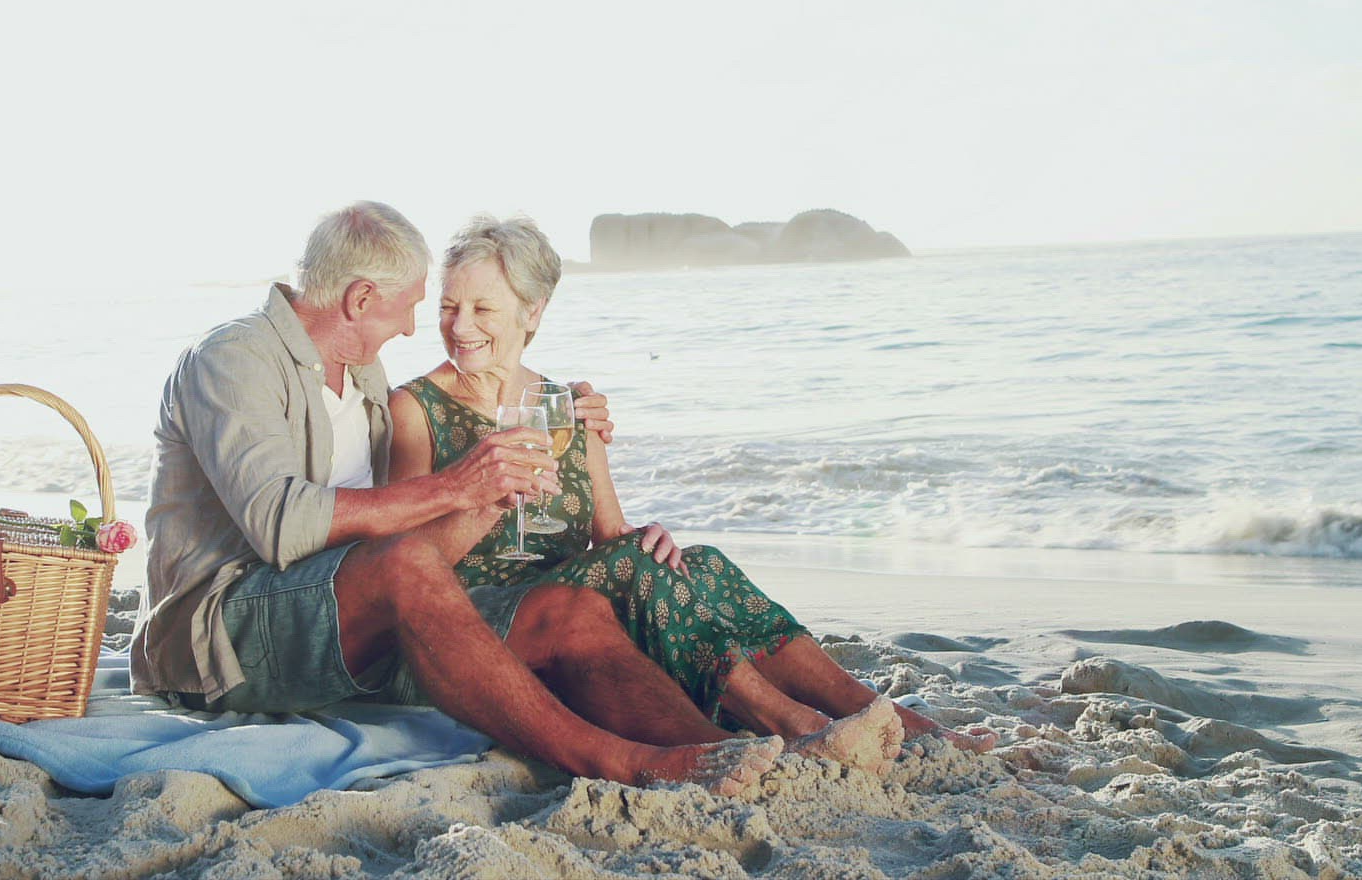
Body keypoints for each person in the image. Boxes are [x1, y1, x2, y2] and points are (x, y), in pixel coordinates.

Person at [129, 202, 837, 794]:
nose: (416, 329)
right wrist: (458, 486)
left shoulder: (360, 372)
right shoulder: (234, 358)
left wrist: (533, 456)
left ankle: (709, 748)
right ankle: (613, 760)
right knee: (406, 563)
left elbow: (394, 509)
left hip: (341, 615)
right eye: (416, 308)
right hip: (223, 633)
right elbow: (281, 524)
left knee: (571, 612)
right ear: (361, 300)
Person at [387, 214, 996, 761]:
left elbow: (609, 535)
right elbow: (406, 566)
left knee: (700, 563)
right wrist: (489, 494)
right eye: (449, 306)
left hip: (580, 603)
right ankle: (787, 720)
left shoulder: (568, 408)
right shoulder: (417, 409)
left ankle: (890, 719)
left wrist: (648, 539)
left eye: (483, 309)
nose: (460, 327)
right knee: (639, 565)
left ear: (533, 311)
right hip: (477, 616)